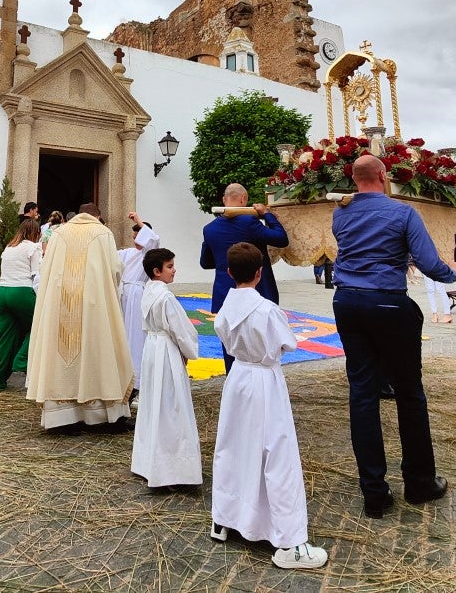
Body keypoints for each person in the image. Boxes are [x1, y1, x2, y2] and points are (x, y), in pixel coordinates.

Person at [331, 154, 456, 517]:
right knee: (408, 391)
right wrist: (455, 272)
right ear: (383, 175)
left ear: (354, 179)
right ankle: (419, 482)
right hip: (388, 303)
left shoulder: (340, 213)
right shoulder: (403, 212)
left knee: (362, 393)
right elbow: (427, 263)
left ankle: (373, 491)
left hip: (346, 301)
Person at [211, 242, 327, 570]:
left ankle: (226, 518)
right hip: (264, 379)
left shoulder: (225, 309)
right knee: (278, 452)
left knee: (233, 447)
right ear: (260, 273)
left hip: (238, 380)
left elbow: (224, 334)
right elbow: (286, 342)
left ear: (230, 272)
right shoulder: (266, 310)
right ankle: (289, 542)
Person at [25, 202, 134, 432]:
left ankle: (61, 417)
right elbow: (115, 270)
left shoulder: (58, 233)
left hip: (60, 302)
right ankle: (99, 416)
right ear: (98, 216)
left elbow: (46, 269)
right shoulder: (103, 233)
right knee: (97, 352)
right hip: (94, 305)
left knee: (59, 353)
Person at [130, 247, 201, 489]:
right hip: (166, 351)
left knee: (154, 403)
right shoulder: (166, 297)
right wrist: (188, 351)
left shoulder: (148, 291)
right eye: (169, 267)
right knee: (171, 406)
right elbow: (181, 330)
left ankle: (148, 462)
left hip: (152, 348)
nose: (174, 270)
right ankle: (172, 469)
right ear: (156, 271)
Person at [200, 183, 289, 371]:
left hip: (226, 294)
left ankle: (233, 384)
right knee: (262, 344)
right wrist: (267, 215)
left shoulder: (210, 229)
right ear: (243, 199)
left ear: (225, 200)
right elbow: (281, 238)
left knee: (231, 347)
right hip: (256, 291)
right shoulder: (249, 222)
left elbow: (206, 263)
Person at [0, 218, 42, 392]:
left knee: (4, 338)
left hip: (3, 292)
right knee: (38, 325)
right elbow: (36, 276)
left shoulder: (9, 248)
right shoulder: (34, 248)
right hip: (22, 291)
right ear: (35, 233)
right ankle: (22, 360)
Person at [117, 212, 160, 395]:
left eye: (139, 236)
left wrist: (138, 221)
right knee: (123, 334)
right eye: (134, 237)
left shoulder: (148, 254)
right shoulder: (127, 253)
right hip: (123, 294)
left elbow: (153, 240)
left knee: (135, 334)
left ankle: (137, 379)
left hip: (136, 296)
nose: (136, 241)